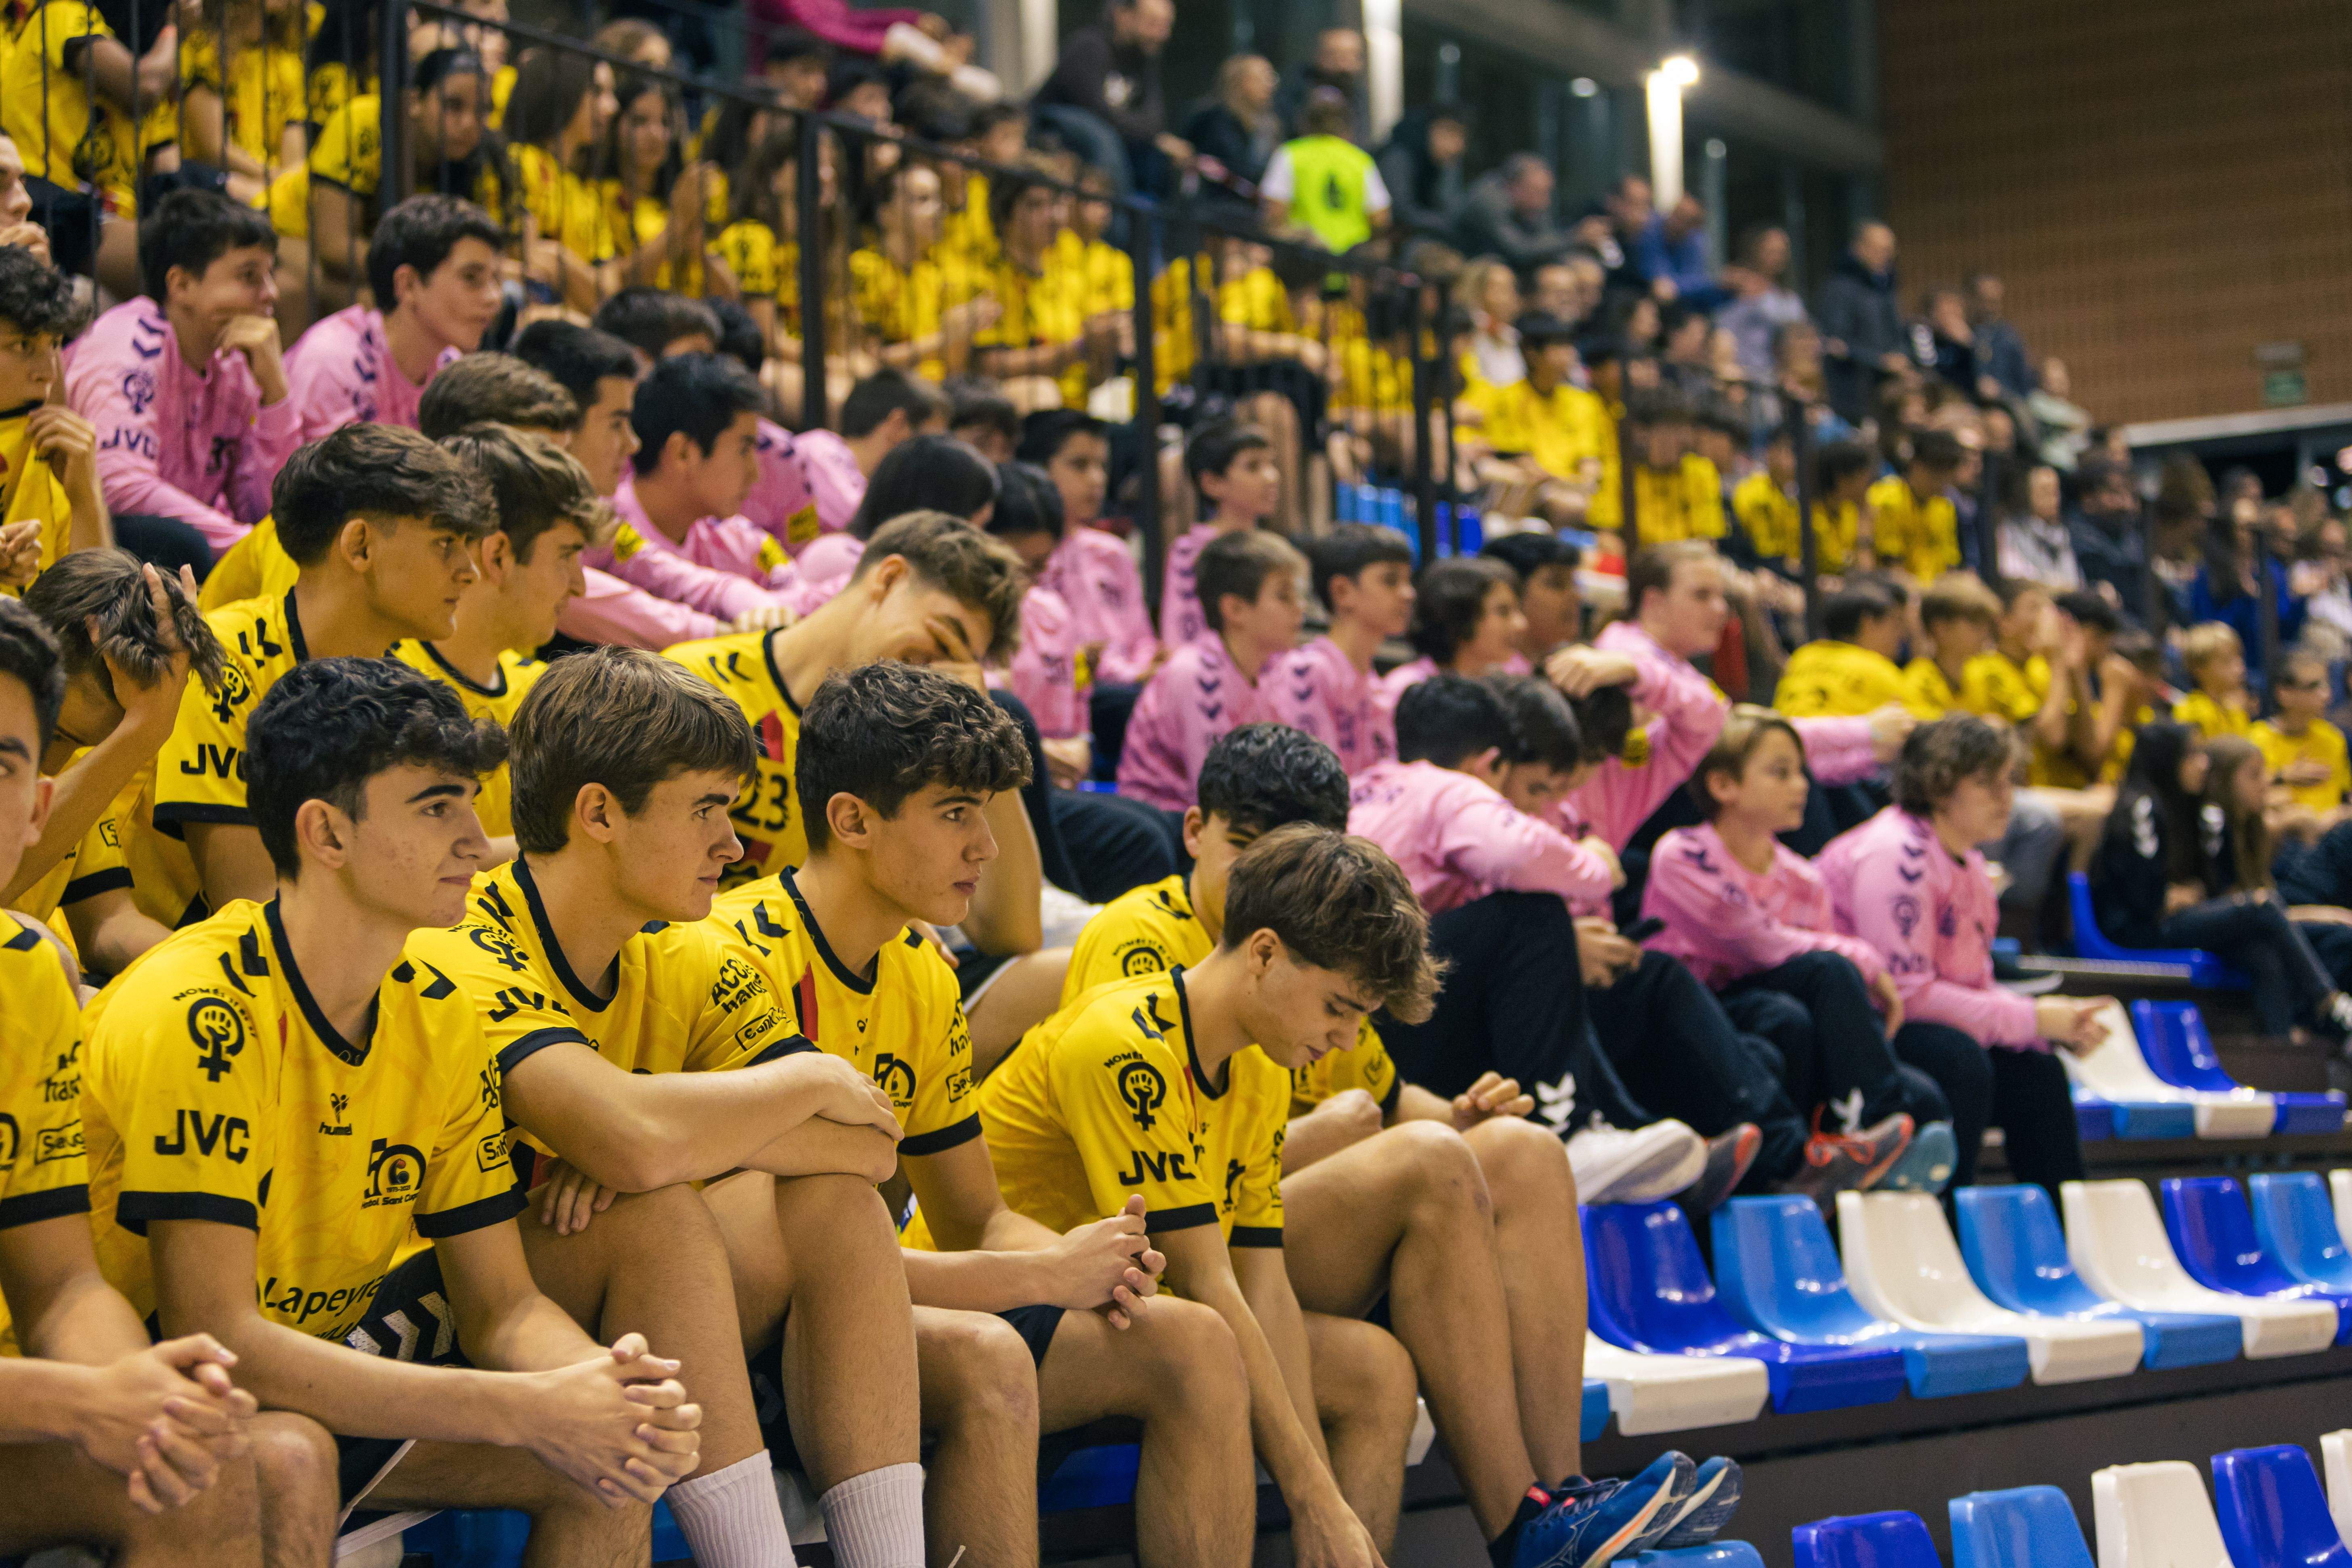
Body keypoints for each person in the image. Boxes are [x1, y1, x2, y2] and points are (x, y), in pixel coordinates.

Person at [78, 656, 708, 1553]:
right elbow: (218, 1334)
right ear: (326, 833)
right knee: (287, 1453)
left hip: (316, 1358)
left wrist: (603, 1390)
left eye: (468, 802)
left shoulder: (442, 1011)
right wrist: (525, 1405)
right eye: (436, 806)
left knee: (609, 1462)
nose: (474, 838)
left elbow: (503, 1306)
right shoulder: (196, 1010)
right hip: (136, 1381)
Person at [968, 817, 1696, 1566]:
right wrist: (1315, 1499)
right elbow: (1212, 1283)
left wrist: (1335, 1514)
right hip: (1005, 1302)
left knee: (1376, 1370)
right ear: (1264, 953)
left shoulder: (1257, 1066)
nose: (1347, 1040)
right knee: (1203, 1342)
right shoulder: (1127, 1042)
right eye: (1339, 1007)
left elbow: (1264, 1283)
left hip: (1120, 1302)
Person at [709, 661, 1262, 1566]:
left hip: (879, 1304)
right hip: (752, 1335)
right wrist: (1043, 1277)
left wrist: (1084, 1262)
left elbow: (975, 1216)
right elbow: (803, 1255)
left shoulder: (923, 972)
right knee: (983, 1355)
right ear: (851, 820)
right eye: (956, 812)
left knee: (1186, 1341)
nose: (987, 849)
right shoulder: (731, 953)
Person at [406, 648, 938, 1568]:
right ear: (600, 812)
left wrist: (667, 1145)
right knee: (657, 1214)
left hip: (593, 1283)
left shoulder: (680, 947)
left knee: (836, 1206)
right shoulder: (463, 940)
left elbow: (872, 1146)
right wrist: (806, 1081)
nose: (733, 846)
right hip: (441, 1301)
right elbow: (636, 1140)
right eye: (707, 809)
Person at [0, 597, 324, 1564]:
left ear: (36, 810)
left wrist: (146, 1392)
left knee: (261, 1450)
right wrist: (85, 1398)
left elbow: (58, 1284)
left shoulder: (25, 971)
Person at [147, 424, 494, 926]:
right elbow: (246, 900)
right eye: (445, 543)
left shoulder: (411, 684)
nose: (469, 570)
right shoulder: (223, 658)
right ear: (360, 546)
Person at [1643, 705, 1957, 1192]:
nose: (1801, 786)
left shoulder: (1803, 878)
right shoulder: (1683, 853)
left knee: (1926, 1085)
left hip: (1766, 1003)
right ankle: (1875, 1128)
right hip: (1699, 1015)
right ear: (1724, 785)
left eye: (1801, 772)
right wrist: (1869, 963)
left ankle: (1867, 1139)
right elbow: (1755, 942)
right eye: (1779, 772)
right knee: (1817, 982)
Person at [1821, 716, 2108, 1196]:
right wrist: (2031, 1018)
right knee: (1960, 1059)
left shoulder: (1971, 864)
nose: (2006, 798)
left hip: (1909, 1024)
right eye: (1986, 784)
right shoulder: (1897, 856)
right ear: (1937, 786)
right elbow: (1907, 996)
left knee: (2036, 1071)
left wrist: (2049, 1027)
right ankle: (1948, 1223)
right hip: (1853, 1033)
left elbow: (1971, 986)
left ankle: (2065, 1235)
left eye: (2008, 782)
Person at [9, 553, 220, 977]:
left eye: (96, 745)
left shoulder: (95, 755)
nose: (54, 763)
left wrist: (211, 970)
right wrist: (141, 735)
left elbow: (108, 924)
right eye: (59, 735)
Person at [392, 423, 604, 845]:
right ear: (498, 555)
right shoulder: (388, 690)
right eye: (566, 555)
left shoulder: (547, 696)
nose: (580, 586)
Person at [67, 190, 296, 568]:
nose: (271, 293)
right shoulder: (130, 346)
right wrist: (250, 546)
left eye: (270, 274)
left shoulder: (237, 364)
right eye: (249, 276)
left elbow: (267, 510)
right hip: (91, 552)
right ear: (181, 285)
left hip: (175, 556)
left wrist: (277, 395)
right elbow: (119, 486)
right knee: (183, 544)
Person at [2091, 721, 2352, 1042]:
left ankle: (2281, 1052)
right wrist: (2173, 895)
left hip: (2179, 919)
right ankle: (2330, 1003)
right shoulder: (2140, 806)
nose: (2202, 763)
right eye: (2192, 755)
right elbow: (2144, 900)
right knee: (2263, 906)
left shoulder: (2192, 808)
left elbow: (2211, 888)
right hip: (2139, 930)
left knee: (2260, 952)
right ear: (2165, 758)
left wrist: (2189, 893)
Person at [270, 48, 512, 331]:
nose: (470, 123)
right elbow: (334, 246)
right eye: (453, 105)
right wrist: (429, 276)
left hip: (383, 261)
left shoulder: (481, 161)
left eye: (482, 111)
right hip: (291, 232)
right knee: (388, 307)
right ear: (414, 101)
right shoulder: (365, 122)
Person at [590, 352, 802, 624]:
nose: (755, 473)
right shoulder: (599, 534)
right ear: (683, 454)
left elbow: (802, 598)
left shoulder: (737, 539)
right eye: (743, 449)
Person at [283, 195, 505, 443]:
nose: (494, 298)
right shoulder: (331, 365)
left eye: (496, 279)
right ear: (408, 285)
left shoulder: (449, 367)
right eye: (471, 278)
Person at [1117, 529, 1305, 813]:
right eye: (1284, 596)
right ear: (1235, 609)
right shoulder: (1195, 674)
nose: (1299, 609)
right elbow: (1218, 798)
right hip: (1170, 828)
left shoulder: (1269, 671)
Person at [1264, 524, 1413, 775]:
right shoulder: (1306, 671)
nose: (1408, 594)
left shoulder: (1374, 682)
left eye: (1409, 580)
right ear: (1343, 591)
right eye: (1390, 581)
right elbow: (1313, 784)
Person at [0, 246, 107, 583]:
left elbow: (95, 617)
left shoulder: (53, 452)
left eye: (56, 344)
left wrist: (85, 499)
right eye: (23, 346)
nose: (47, 373)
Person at [1031, 0, 1183, 196]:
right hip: (1053, 131)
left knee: (1170, 155)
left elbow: (1155, 120)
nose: (1164, 35)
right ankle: (1117, 220)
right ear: (1123, 16)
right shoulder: (1089, 47)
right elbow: (1097, 113)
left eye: (1167, 25)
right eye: (1153, 24)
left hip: (1111, 139)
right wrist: (1147, 133)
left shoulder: (1143, 59)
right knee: (1103, 137)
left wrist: (1156, 138)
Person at [1163, 419, 1280, 648]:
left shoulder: (1275, 549)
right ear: (1212, 483)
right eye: (1253, 466)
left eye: (1271, 464)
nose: (1271, 477)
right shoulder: (1191, 552)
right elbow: (1180, 636)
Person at [1773, 581, 1928, 719]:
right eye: (1895, 624)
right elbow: (1930, 729)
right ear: (1868, 623)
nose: (1901, 634)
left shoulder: (1801, 657)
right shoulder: (1877, 670)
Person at [1261, 89, 1389, 255]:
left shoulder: (1290, 155)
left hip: (1306, 259)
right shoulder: (1360, 160)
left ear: (1304, 121)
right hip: (1351, 263)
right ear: (1347, 124)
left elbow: (1273, 217)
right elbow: (1381, 219)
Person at [1381, 556, 1529, 697]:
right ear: (1461, 616)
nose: (1521, 624)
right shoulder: (1408, 687)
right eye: (1503, 612)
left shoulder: (1515, 677)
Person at [1815, 221, 1906, 426]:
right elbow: (1835, 343)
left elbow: (1896, 335)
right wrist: (1880, 360)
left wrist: (1902, 357)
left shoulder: (1885, 290)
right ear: (1859, 249)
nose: (1886, 256)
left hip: (1886, 386)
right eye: (1880, 249)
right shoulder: (1839, 289)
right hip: (1854, 390)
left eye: (1890, 250)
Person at [2255, 648, 2350, 823]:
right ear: (2284, 694)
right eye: (2314, 686)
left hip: (2333, 836)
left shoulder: (2333, 737)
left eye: (2326, 685)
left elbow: (2346, 798)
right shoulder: (2255, 740)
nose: (2326, 695)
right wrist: (2282, 777)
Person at [1183, 54, 1282, 212]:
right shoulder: (1211, 120)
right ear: (1239, 82)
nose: (1270, 85)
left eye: (1272, 78)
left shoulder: (1270, 125)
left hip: (1251, 213)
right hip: (1216, 213)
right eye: (1261, 79)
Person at [1868, 428, 1964, 584]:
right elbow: (1891, 565)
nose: (1942, 483)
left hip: (1936, 590)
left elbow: (1950, 564)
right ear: (1916, 465)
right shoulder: (1888, 498)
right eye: (1936, 474)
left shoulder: (1945, 507)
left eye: (1947, 475)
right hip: (1897, 589)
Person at [1452, 153, 1576, 273]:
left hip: (1505, 263)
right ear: (1516, 188)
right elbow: (1521, 252)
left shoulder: (1529, 204)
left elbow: (1545, 238)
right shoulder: (1489, 202)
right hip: (1472, 266)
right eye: (1540, 193)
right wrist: (1574, 238)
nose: (1547, 202)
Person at [1717, 225, 1807, 384]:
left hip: (1779, 379)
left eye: (1782, 252)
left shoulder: (1788, 297)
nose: (1777, 257)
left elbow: (1801, 330)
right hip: (1742, 375)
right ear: (1756, 251)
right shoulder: (1736, 285)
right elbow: (1723, 328)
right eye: (1771, 251)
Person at [1904, 575, 2004, 717]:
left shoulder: (1984, 675)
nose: (1984, 631)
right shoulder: (1917, 683)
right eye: (1974, 622)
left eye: (1986, 623)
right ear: (1941, 629)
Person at [1481, 533, 1585, 663]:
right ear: (1509, 593)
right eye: (1557, 584)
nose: (1576, 596)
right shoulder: (1487, 676)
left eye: (1574, 584)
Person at [1375, 105, 1469, 246]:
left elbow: (1444, 206)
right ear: (1434, 130)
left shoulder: (1433, 164)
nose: (1460, 146)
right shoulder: (1399, 157)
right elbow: (1401, 211)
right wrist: (1448, 224)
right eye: (1454, 135)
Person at [1995, 462, 2083, 590]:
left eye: (2056, 491)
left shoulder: (2062, 533)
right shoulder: (2009, 530)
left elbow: (2075, 582)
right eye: (2045, 491)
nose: (2054, 499)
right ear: (2026, 494)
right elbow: (2013, 575)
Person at [2174, 621, 2255, 741]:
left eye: (2239, 657)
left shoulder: (2236, 712)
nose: (2240, 668)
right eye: (2226, 661)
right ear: (2199, 668)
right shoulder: (2190, 712)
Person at [1966, 272, 2037, 401]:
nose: (1990, 308)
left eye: (1995, 302)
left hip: (2003, 405)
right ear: (1972, 300)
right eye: (1985, 301)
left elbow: (2025, 387)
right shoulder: (1963, 333)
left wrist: (2001, 392)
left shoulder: (2009, 337)